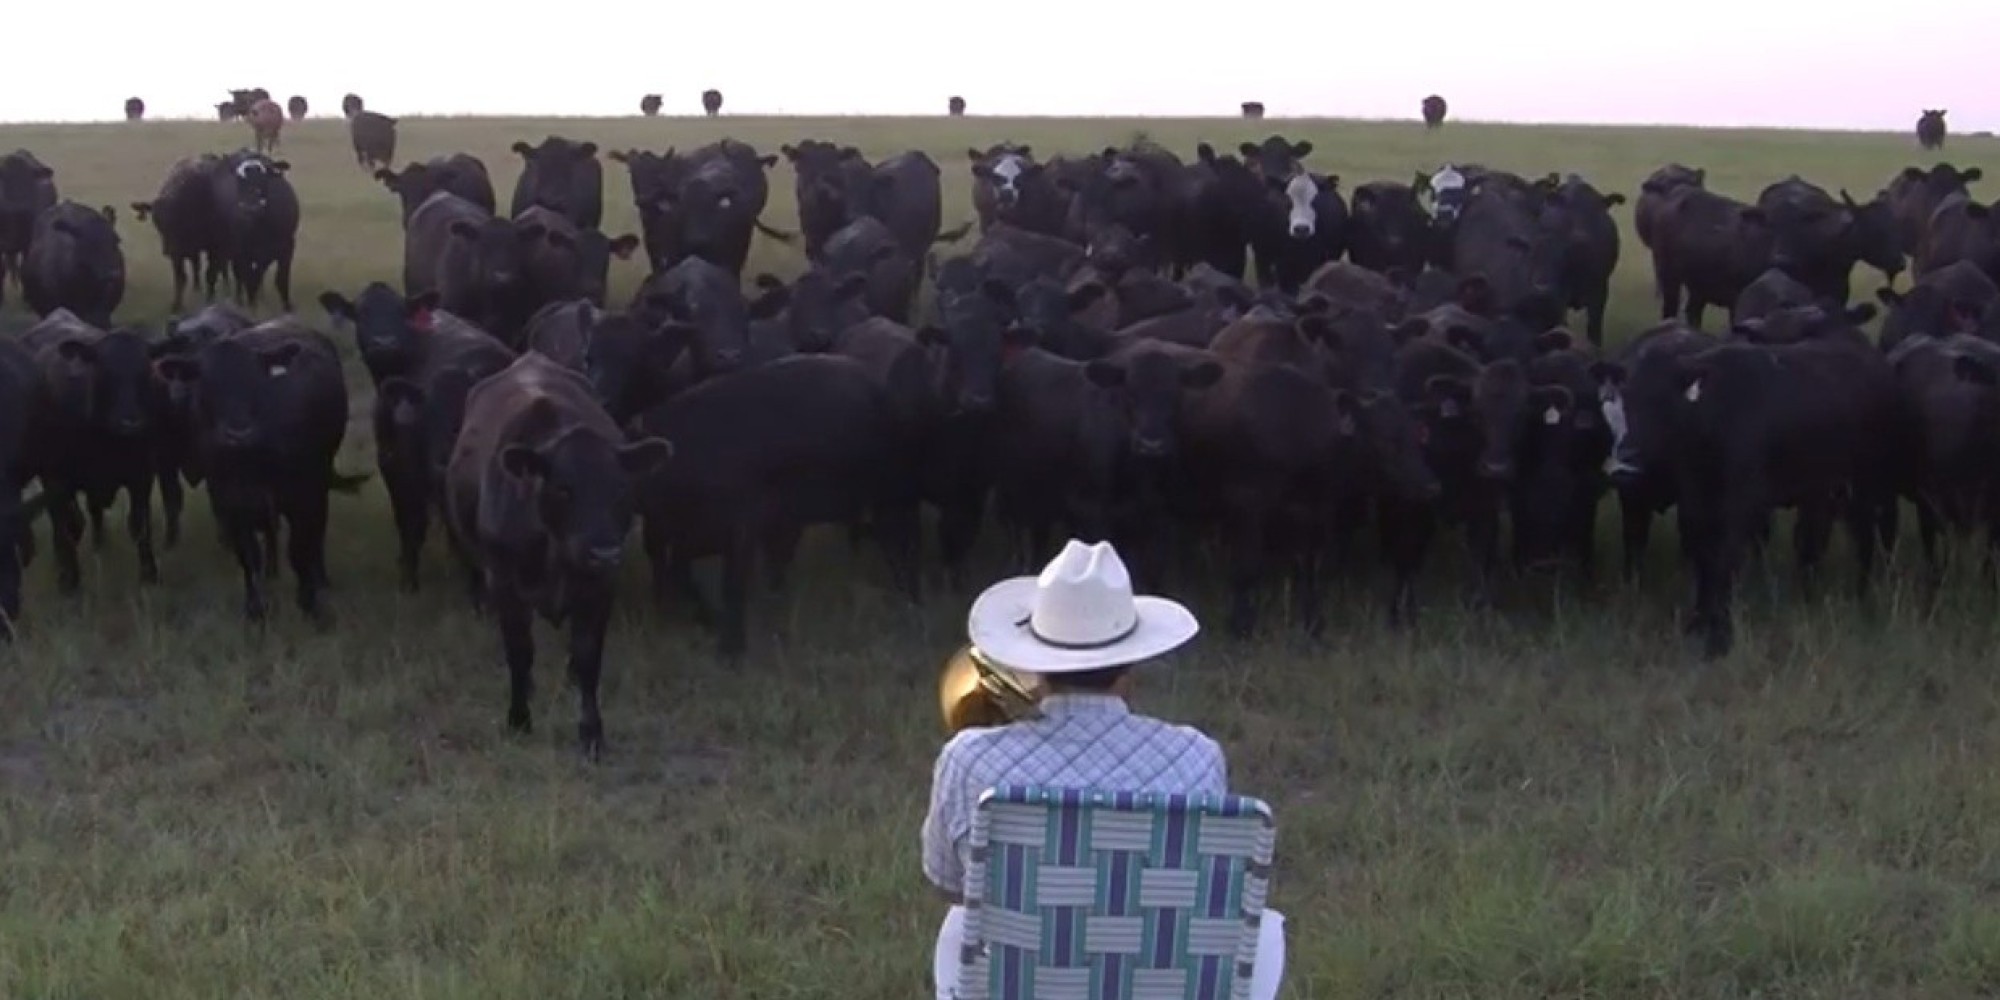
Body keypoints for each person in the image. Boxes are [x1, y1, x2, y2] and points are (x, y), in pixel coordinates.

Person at [920, 539, 1287, 1000]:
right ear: (1128, 668)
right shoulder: (1197, 755)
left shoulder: (968, 758)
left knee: (960, 926)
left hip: (1019, 988)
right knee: (1264, 930)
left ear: (1037, 667)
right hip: (1158, 988)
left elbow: (948, 883)